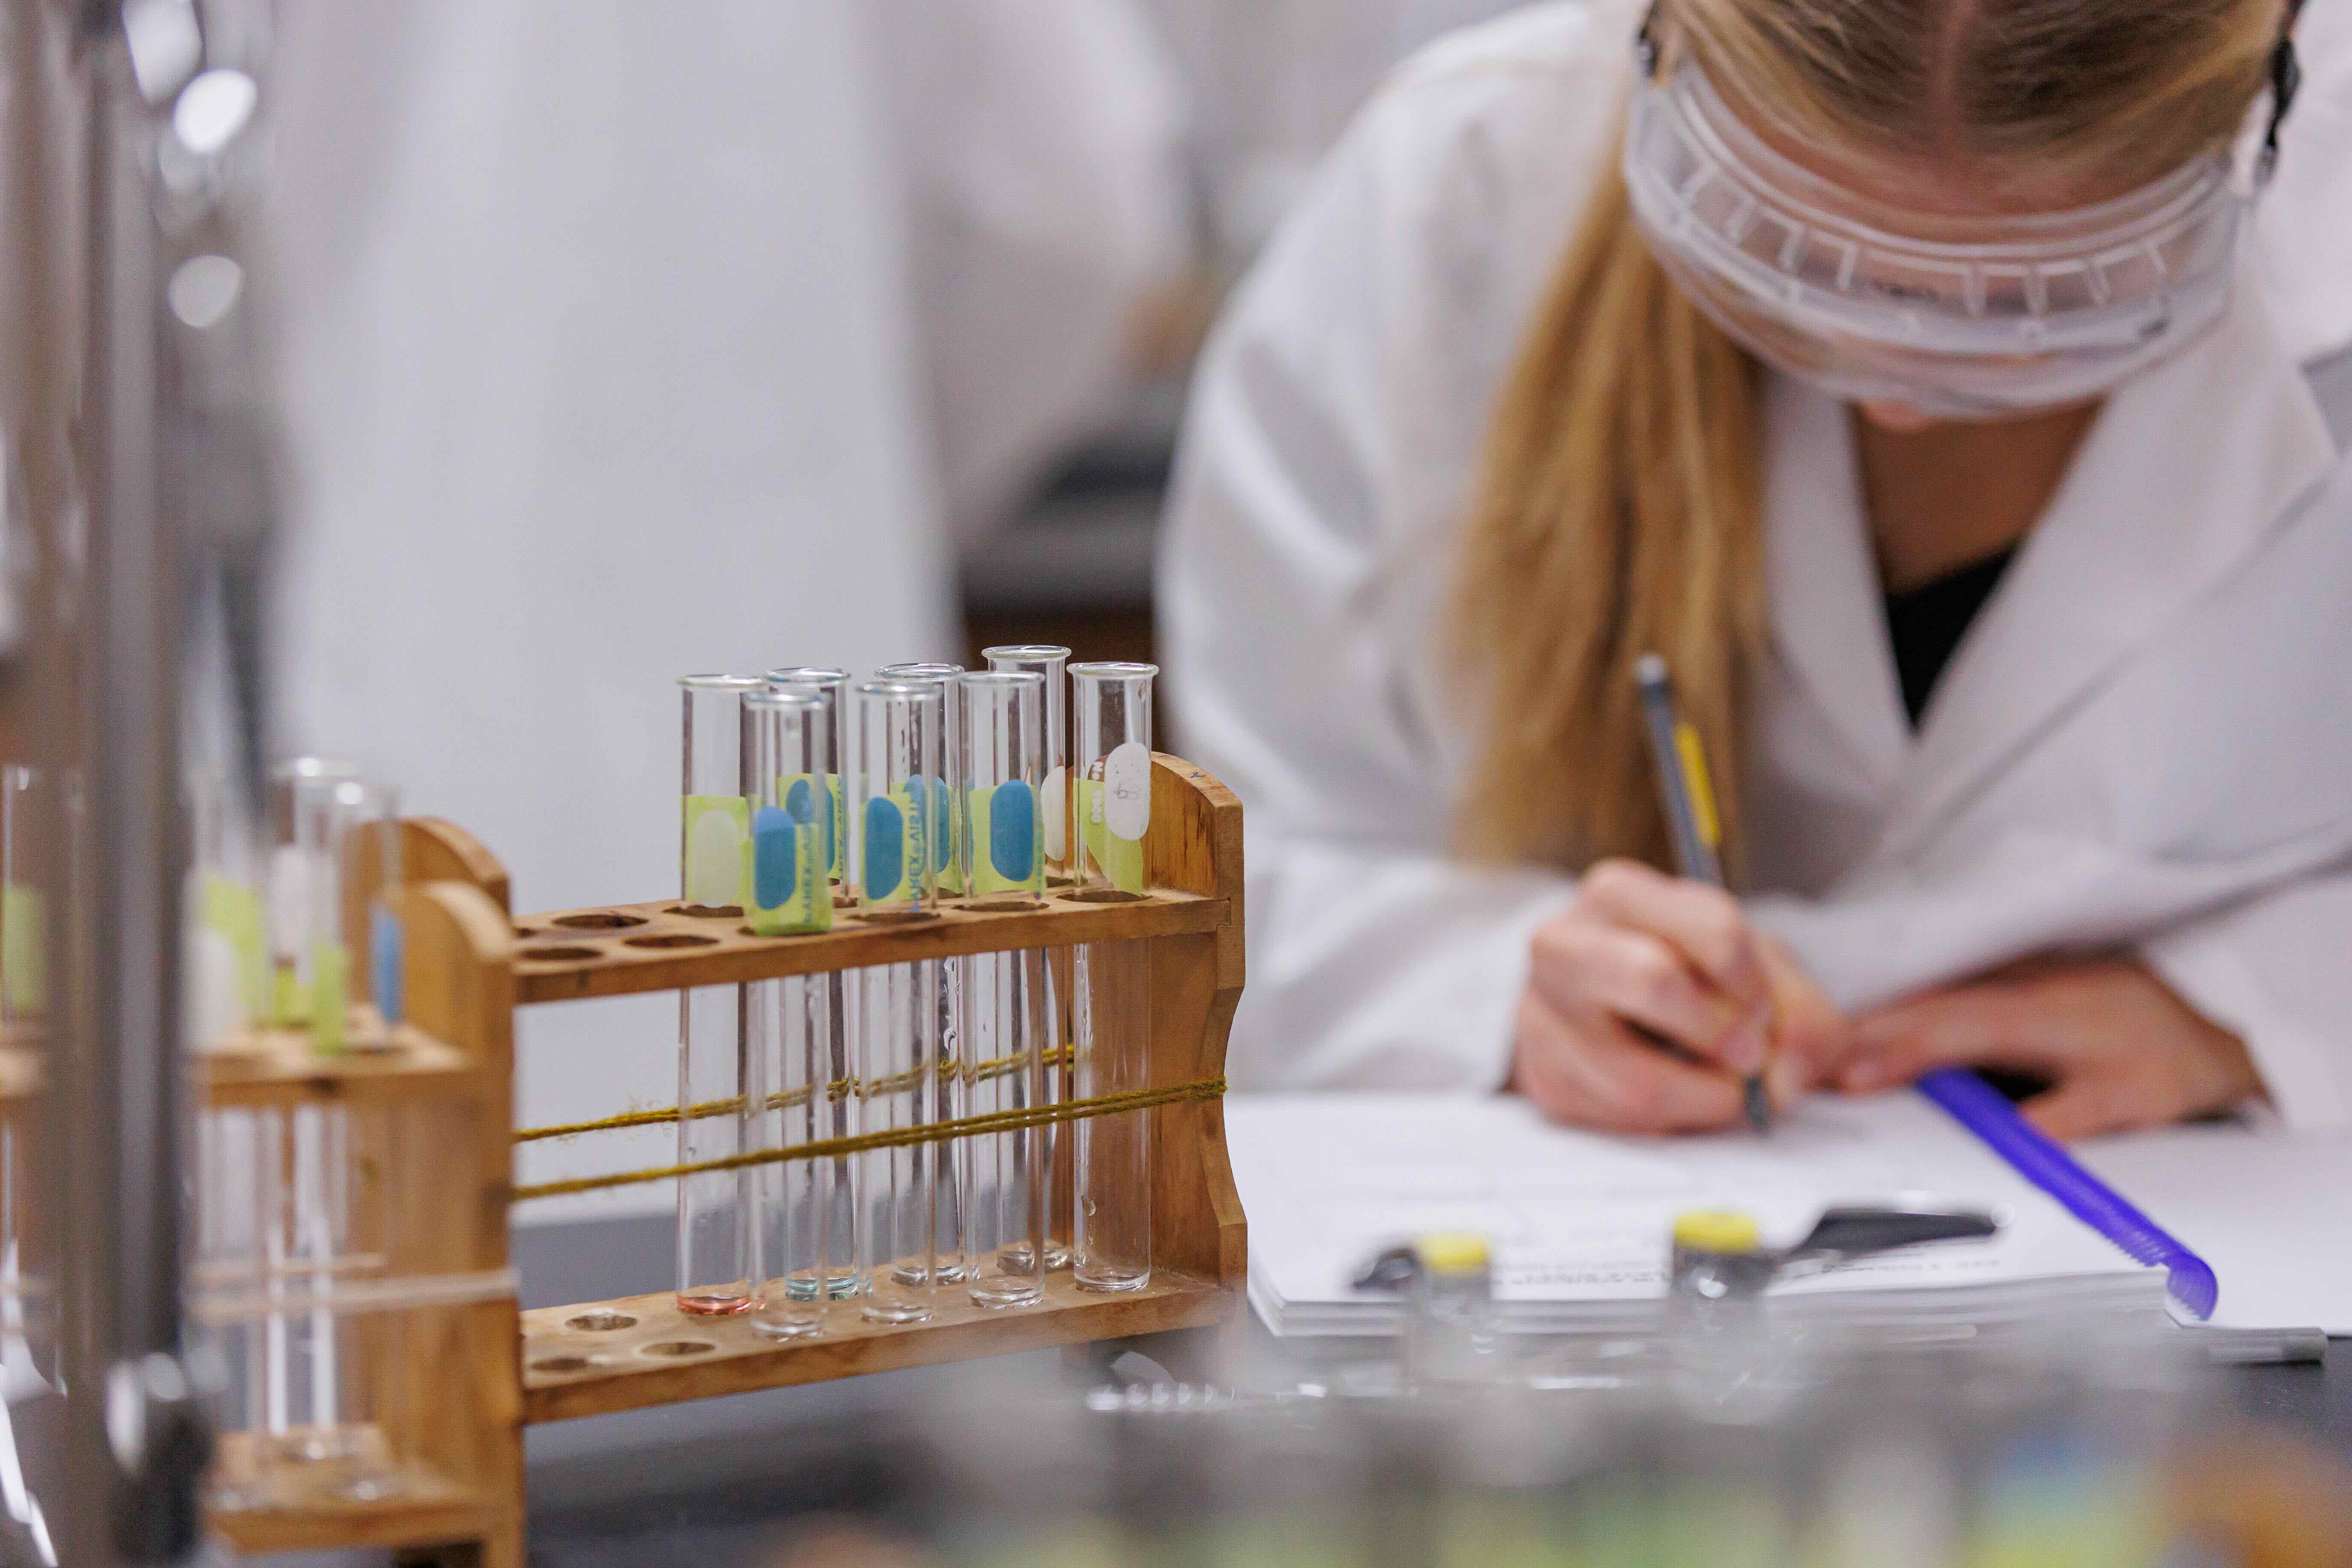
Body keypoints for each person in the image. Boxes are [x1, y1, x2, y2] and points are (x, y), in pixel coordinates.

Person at [1161, 0, 2352, 1139]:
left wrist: (2263, 1012)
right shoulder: (1459, 195)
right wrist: (1491, 997)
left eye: (2033, 298)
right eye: (1804, 260)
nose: (1896, 399)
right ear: (1661, 39)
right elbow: (1243, 879)